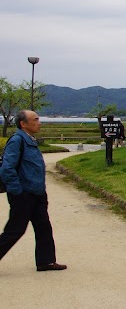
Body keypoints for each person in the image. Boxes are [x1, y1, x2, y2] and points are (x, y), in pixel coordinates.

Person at [0, 110, 67, 271]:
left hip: (37, 193)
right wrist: (18, 191)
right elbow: (7, 169)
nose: (39, 122)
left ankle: (46, 261)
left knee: (43, 226)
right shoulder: (17, 140)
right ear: (23, 123)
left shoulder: (30, 139)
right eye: (35, 119)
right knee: (15, 230)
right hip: (24, 194)